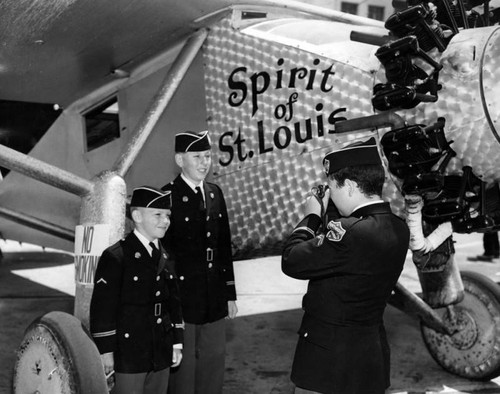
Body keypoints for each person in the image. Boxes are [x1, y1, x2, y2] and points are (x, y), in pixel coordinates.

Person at [282, 137, 410, 394]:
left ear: (350, 186)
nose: (331, 192)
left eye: (333, 185)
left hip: (328, 361)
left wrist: (311, 216)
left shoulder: (350, 234)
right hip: (370, 355)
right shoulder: (399, 228)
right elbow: (348, 263)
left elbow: (292, 260)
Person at [161, 130, 237, 394]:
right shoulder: (167, 198)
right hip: (183, 298)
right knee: (183, 375)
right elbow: (163, 257)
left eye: (207, 156)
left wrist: (230, 294)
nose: (204, 162)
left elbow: (224, 246)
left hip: (214, 296)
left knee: (213, 366)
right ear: (180, 160)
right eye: (197, 157)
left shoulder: (215, 194)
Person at [89, 186, 184, 394]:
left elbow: (173, 303)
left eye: (167, 215)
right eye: (157, 214)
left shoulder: (165, 256)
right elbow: (103, 308)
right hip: (129, 353)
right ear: (137, 215)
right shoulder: (116, 256)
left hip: (161, 350)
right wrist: (106, 351)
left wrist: (176, 342)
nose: (165, 221)